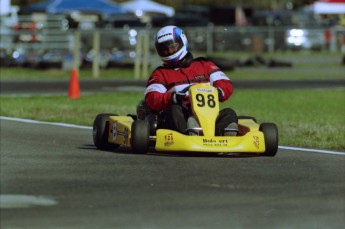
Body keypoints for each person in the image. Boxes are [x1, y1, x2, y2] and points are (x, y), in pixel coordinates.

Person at [137, 25, 238, 136]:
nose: (169, 51)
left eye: (172, 47)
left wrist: (219, 91)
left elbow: (225, 83)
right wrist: (173, 97)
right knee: (173, 110)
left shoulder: (204, 65)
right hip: (181, 113)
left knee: (229, 113)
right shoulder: (160, 73)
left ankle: (220, 133)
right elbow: (152, 97)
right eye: (164, 49)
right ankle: (189, 132)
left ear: (182, 42)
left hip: (208, 114)